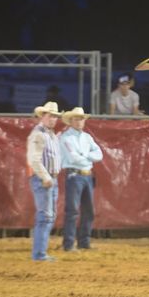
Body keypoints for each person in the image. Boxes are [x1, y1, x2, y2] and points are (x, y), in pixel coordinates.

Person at [59, 107, 103, 251]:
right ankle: (69, 244)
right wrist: (88, 157)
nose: (79, 122)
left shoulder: (87, 137)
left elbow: (99, 154)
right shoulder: (65, 137)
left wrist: (83, 156)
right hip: (75, 175)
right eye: (76, 119)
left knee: (88, 211)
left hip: (86, 175)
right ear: (71, 121)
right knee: (72, 211)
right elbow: (73, 157)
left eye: (81, 119)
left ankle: (84, 242)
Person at [26, 102, 62, 261]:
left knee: (48, 216)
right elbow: (33, 159)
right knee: (45, 216)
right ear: (43, 116)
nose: (53, 118)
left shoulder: (50, 134)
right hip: (44, 180)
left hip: (51, 179)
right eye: (50, 115)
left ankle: (41, 252)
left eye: (55, 116)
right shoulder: (39, 134)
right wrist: (46, 177)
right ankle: (39, 254)